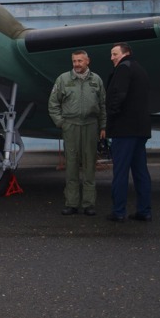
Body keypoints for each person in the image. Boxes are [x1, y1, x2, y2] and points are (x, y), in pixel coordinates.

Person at [48, 50, 107, 217]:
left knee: (89, 166)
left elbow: (103, 105)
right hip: (71, 126)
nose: (77, 64)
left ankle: (89, 204)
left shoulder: (96, 80)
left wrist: (103, 126)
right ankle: (72, 203)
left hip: (91, 125)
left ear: (88, 61)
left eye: (80, 61)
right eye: (74, 61)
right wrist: (61, 123)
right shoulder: (63, 79)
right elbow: (53, 104)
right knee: (72, 166)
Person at [105, 42, 152, 222]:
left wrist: (111, 116)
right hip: (140, 129)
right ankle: (144, 211)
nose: (112, 58)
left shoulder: (123, 69)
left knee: (120, 172)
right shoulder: (140, 70)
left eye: (114, 54)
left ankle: (118, 211)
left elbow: (117, 95)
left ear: (125, 53)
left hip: (124, 130)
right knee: (141, 172)